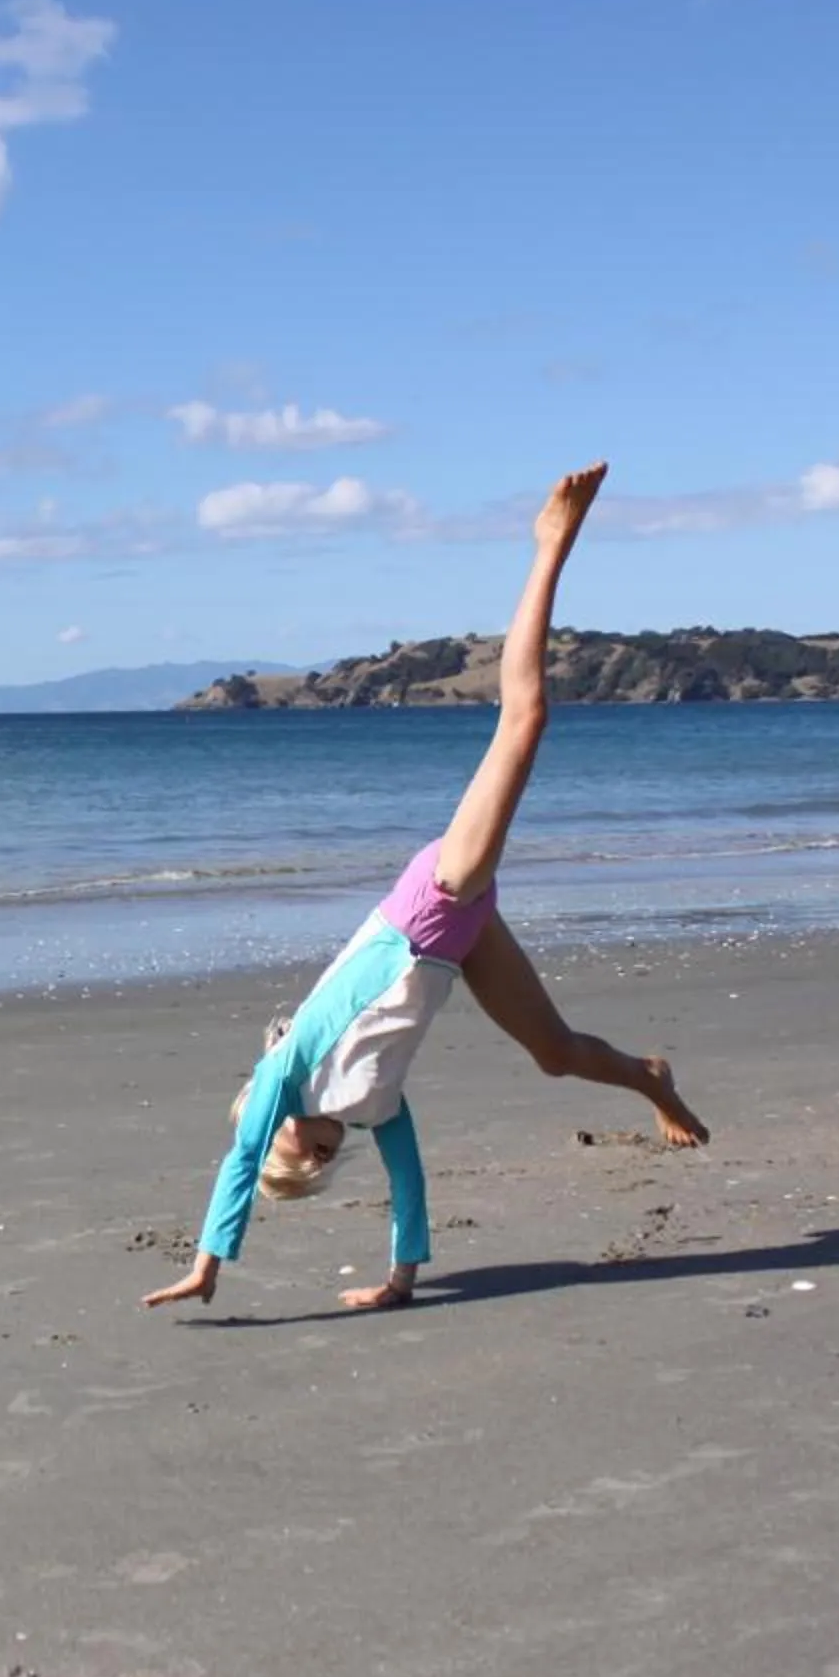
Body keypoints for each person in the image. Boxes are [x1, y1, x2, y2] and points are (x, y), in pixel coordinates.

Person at [142, 463, 709, 1316]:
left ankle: (550, 545)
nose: (323, 1151)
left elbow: (236, 1161)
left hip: (431, 907)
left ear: (280, 1136)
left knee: (526, 718)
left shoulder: (282, 1077)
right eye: (325, 1166)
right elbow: (409, 1185)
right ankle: (651, 1077)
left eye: (303, 1153)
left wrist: (209, 1263)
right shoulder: (377, 1110)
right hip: (461, 942)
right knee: (553, 1055)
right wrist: (401, 1281)